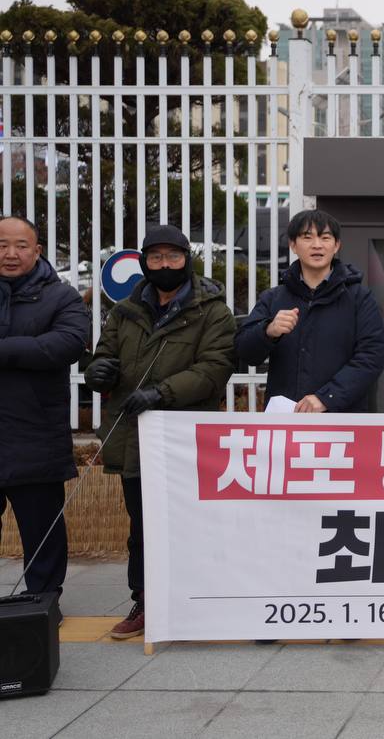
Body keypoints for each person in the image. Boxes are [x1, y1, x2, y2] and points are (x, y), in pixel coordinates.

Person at [83, 225, 236, 639]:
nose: (165, 265)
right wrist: (98, 372)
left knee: (193, 523)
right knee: (142, 527)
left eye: (173, 257)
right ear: (144, 263)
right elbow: (103, 356)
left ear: (187, 260)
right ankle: (145, 600)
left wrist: (161, 393)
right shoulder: (124, 311)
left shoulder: (212, 311)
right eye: (156, 258)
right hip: (136, 437)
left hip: (186, 438)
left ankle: (199, 600)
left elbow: (214, 369)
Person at [0, 215, 91, 601]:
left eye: (21, 246)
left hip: (34, 433)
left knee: (42, 532)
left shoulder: (61, 296)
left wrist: (5, 350)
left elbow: (67, 343)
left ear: (37, 251)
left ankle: (43, 604)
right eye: (2, 245)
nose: (11, 253)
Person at [236, 210, 384, 413]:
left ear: (336, 245)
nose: (317, 245)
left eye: (325, 237)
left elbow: (372, 356)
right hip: (286, 418)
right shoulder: (274, 298)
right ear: (293, 245)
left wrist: (327, 397)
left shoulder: (359, 298)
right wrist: (268, 331)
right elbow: (244, 351)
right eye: (307, 237)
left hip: (343, 419)